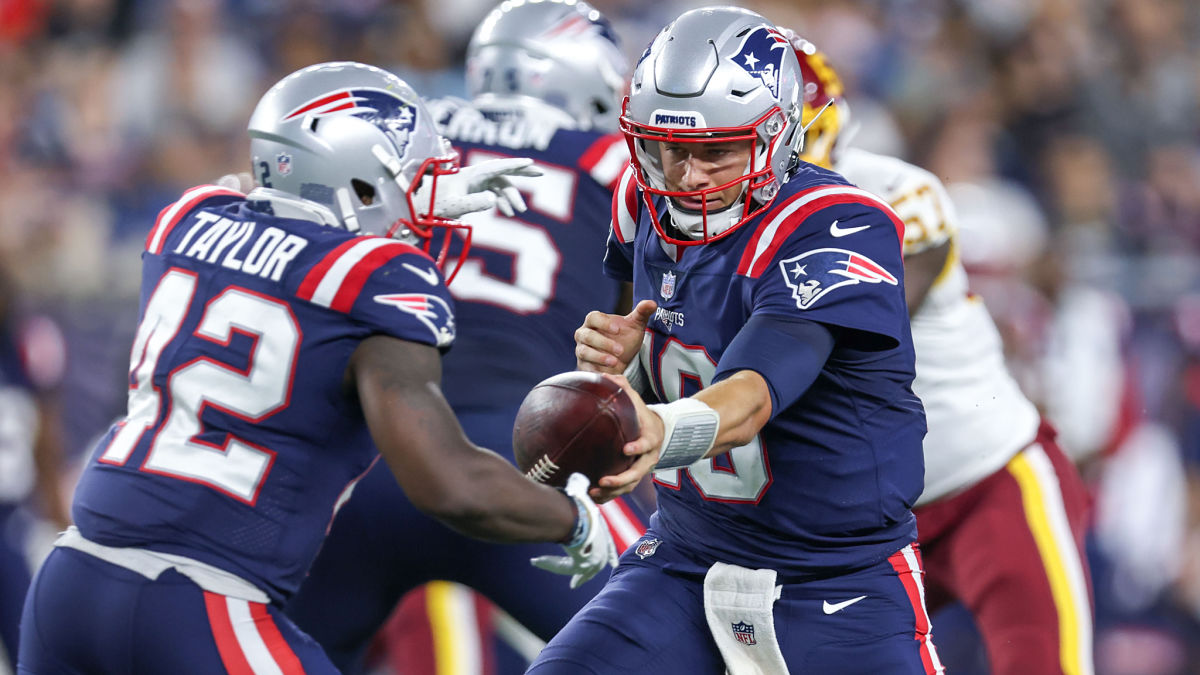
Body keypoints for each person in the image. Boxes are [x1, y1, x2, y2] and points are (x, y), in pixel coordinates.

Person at [17, 61, 616, 674]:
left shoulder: (186, 218)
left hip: (70, 578)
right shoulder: (376, 279)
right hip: (200, 597)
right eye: (411, 179)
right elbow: (448, 483)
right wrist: (570, 519)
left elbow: (262, 200)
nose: (423, 206)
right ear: (357, 181)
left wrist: (391, 193)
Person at [534, 8, 943, 673]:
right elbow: (661, 359)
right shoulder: (641, 204)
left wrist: (656, 431)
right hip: (685, 557)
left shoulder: (839, 225)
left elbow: (752, 392)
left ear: (778, 136)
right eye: (670, 150)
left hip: (834, 579)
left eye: (715, 150)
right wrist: (623, 366)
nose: (688, 176)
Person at [284, 3, 648, 672]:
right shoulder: (616, 161)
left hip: (374, 458)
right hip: (535, 461)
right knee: (674, 643)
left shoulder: (412, 130)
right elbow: (640, 329)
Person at [788, 34, 1094, 674]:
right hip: (865, 524)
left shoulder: (897, 194)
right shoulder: (689, 229)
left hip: (988, 478)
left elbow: (861, 326)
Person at [0, 267, 70, 671]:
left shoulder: (27, 346)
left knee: (28, 648)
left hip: (10, 524)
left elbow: (47, 443)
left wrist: (60, 523)